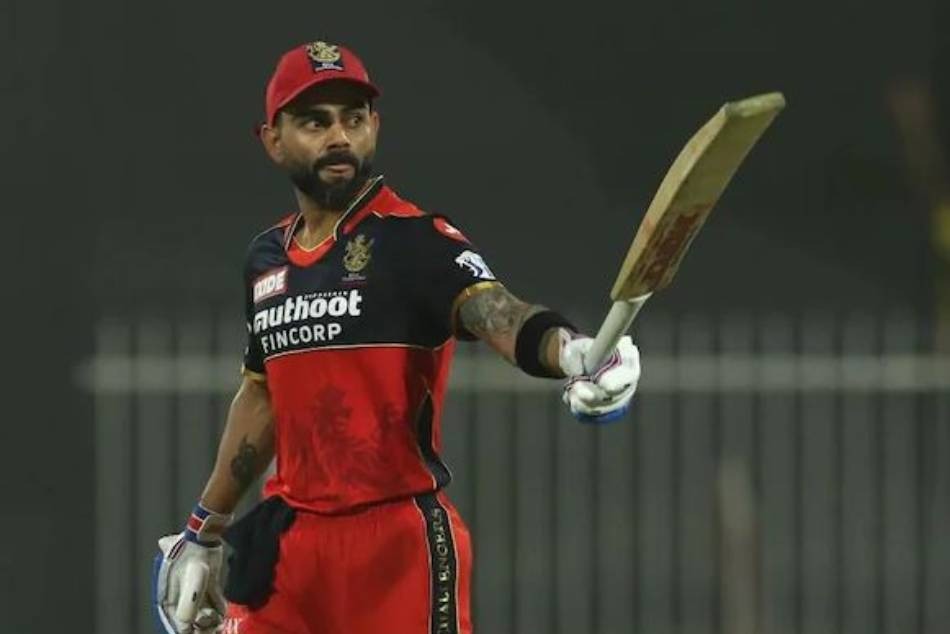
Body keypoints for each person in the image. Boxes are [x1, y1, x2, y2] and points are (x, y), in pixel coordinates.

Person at [153, 40, 640, 634]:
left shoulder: (414, 240)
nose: (339, 137)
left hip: (396, 547)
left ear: (374, 127)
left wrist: (572, 352)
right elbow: (262, 397)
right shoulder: (265, 260)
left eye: (353, 119)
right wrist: (204, 529)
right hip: (292, 549)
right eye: (315, 122)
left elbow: (500, 314)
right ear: (272, 140)